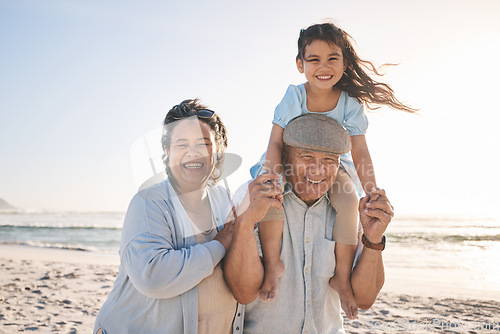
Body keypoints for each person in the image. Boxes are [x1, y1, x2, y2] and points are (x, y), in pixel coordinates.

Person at [253, 22, 415, 317]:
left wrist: (371, 189)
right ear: (300, 64)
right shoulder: (294, 96)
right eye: (314, 59)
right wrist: (271, 176)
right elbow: (275, 141)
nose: (323, 67)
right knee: (272, 200)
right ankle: (273, 263)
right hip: (286, 163)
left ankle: (341, 276)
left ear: (344, 62)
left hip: (329, 166)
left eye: (332, 59)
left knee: (348, 200)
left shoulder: (349, 103)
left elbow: (360, 149)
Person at [224, 114, 394, 333]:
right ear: (285, 157)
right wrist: (246, 221)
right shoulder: (253, 197)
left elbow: (364, 299)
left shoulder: (349, 208)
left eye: (329, 160)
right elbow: (244, 292)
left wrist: (373, 240)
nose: (318, 169)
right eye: (306, 157)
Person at [94, 99, 246, 334]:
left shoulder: (225, 201)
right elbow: (153, 276)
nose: (192, 152)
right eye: (181, 144)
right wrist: (221, 244)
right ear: (167, 152)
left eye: (203, 143)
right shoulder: (149, 202)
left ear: (218, 152)